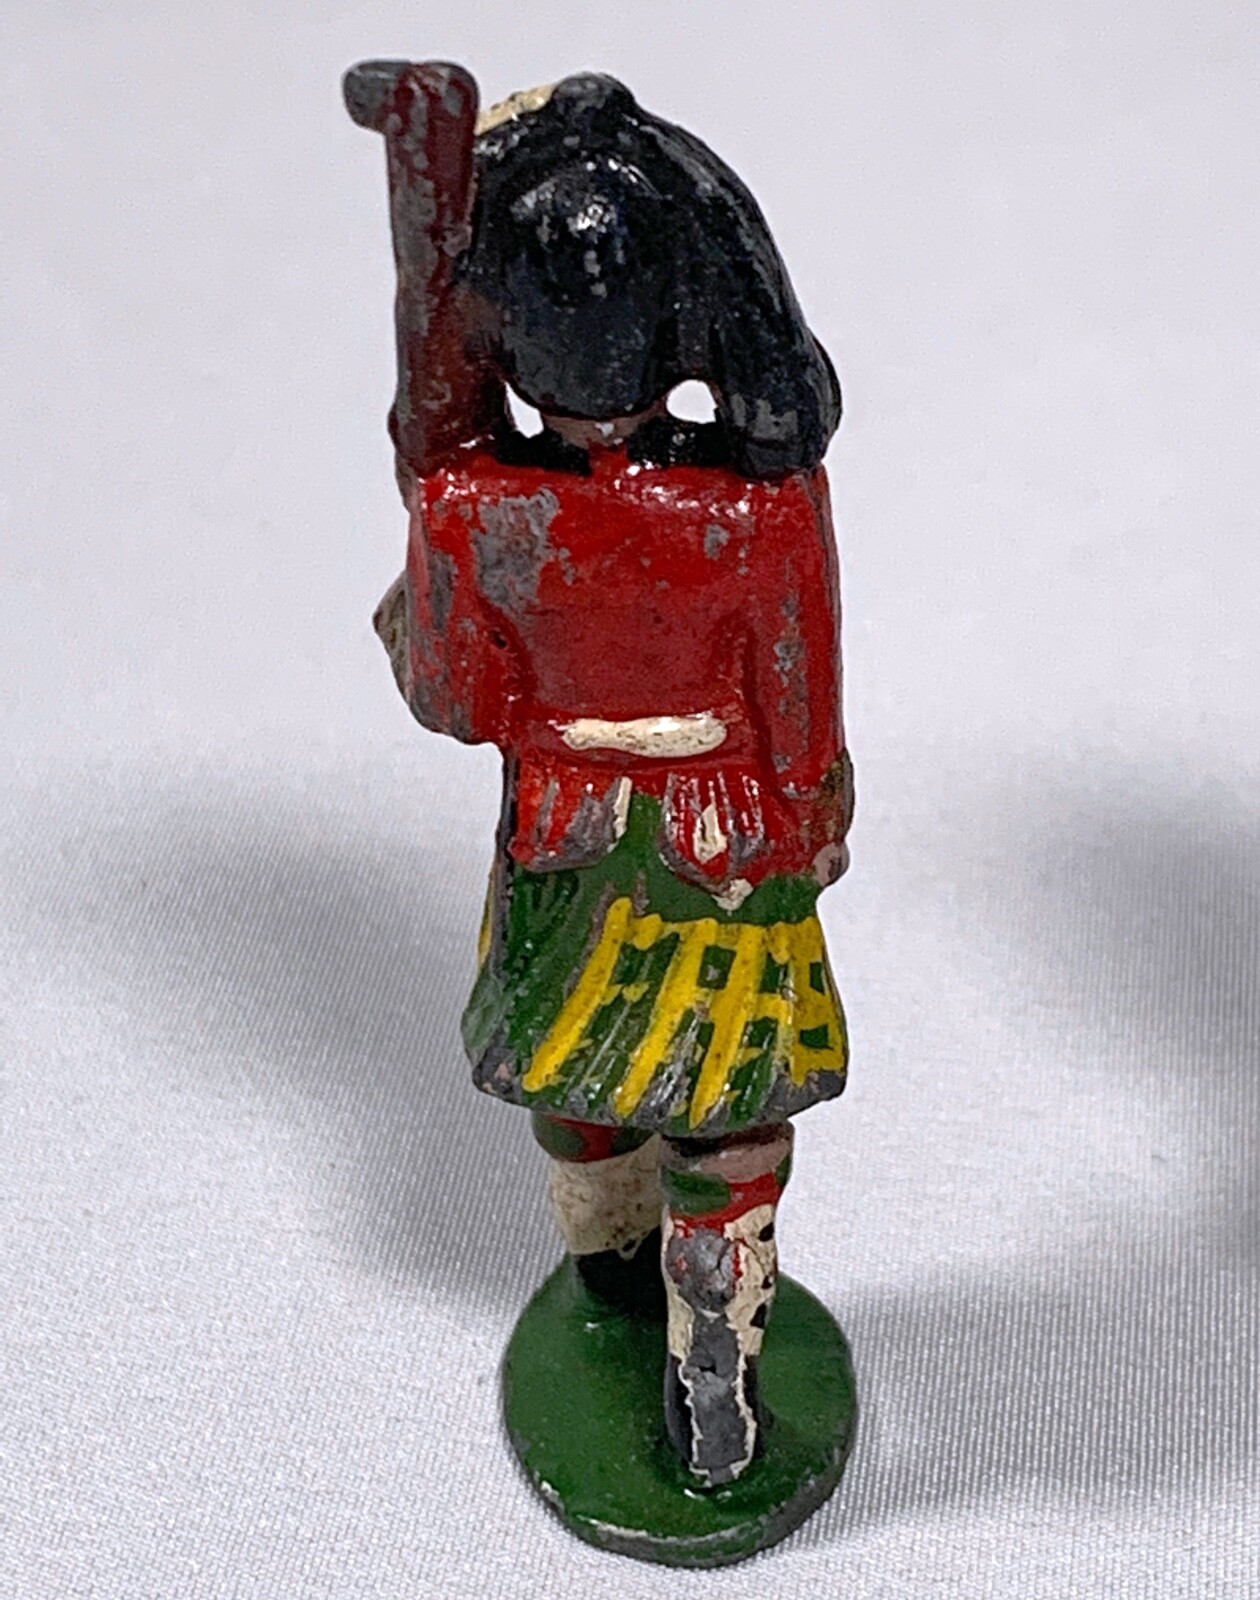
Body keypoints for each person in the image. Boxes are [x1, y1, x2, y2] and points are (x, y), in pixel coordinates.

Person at [371, 71, 853, 1489]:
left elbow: (452, 700)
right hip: (724, 845)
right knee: (730, 1116)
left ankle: (609, 1274)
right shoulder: (763, 509)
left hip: (565, 837)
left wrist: (422, 579)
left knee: (581, 1084)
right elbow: (800, 714)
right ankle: (718, 1366)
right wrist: (811, 822)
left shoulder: (476, 508)